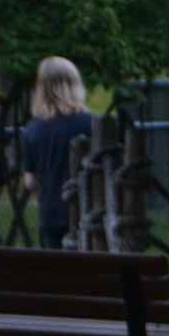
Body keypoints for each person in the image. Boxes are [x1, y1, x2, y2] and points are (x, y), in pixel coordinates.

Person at [19, 57, 97, 250]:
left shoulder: (33, 128)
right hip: (86, 213)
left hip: (50, 214)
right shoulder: (90, 123)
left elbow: (30, 181)